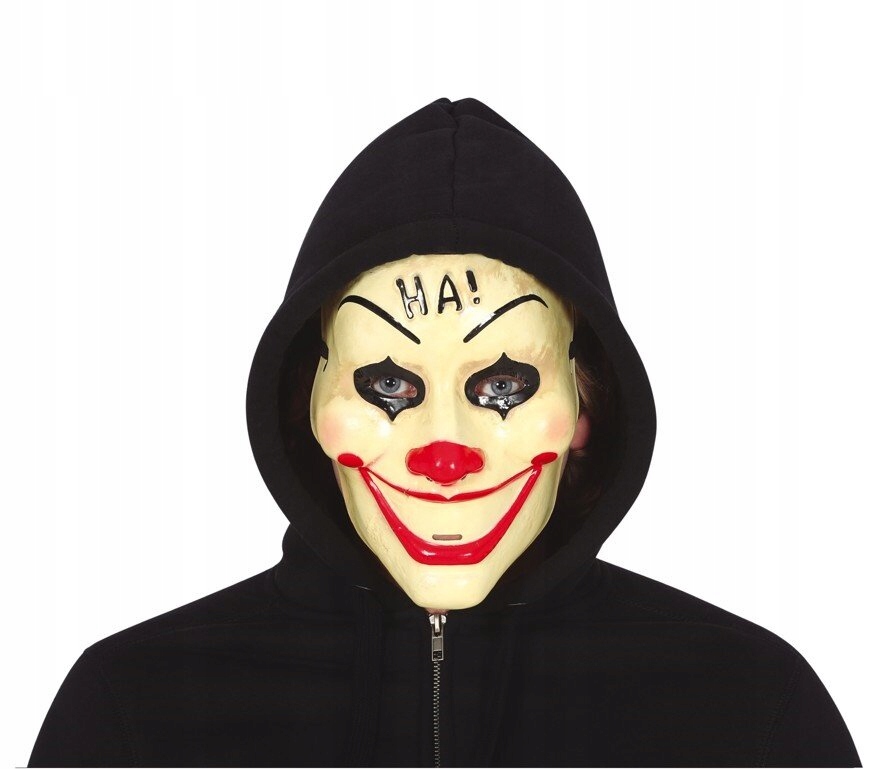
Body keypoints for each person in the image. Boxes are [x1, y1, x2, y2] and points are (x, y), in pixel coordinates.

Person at [29, 98, 860, 767]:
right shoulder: (133, 708)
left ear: (586, 403)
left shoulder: (751, 706)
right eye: (389, 383)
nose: (444, 452)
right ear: (306, 401)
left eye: (502, 384)